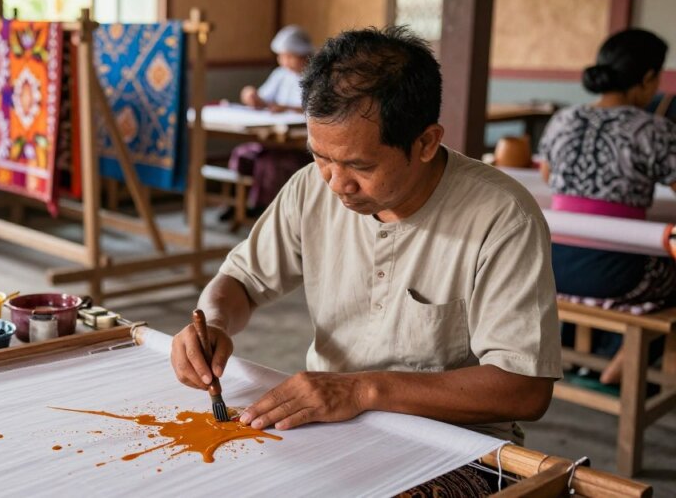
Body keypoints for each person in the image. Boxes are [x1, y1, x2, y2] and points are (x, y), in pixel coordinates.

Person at [172, 27, 561, 495]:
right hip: (330, 421)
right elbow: (242, 280)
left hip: (456, 445)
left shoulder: (501, 216)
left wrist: (361, 390)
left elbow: (524, 388)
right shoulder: (309, 189)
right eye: (321, 158)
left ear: (425, 143)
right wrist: (213, 322)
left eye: (360, 166)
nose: (336, 184)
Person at [539, 28, 673, 384]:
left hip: (552, 267)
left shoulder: (563, 120)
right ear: (647, 78)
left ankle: (609, 357)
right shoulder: (653, 129)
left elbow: (549, 176)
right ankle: (631, 359)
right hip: (619, 277)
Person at [225, 26, 315, 219]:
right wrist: (252, 96)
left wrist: (285, 108)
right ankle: (236, 205)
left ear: (304, 55)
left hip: (299, 144)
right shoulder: (280, 74)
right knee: (242, 155)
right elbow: (264, 99)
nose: (285, 61)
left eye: (290, 56)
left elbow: (318, 109)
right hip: (273, 138)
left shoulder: (317, 77)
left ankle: (265, 211)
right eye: (282, 56)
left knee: (271, 163)